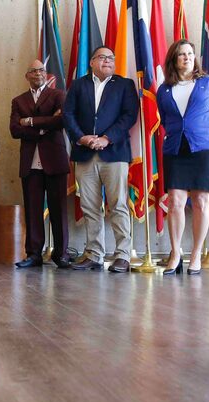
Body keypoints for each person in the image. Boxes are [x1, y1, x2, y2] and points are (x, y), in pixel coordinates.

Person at [63, 46, 139, 273]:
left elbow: (129, 115)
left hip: (114, 153)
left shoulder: (124, 85)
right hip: (85, 154)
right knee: (89, 206)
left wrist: (107, 138)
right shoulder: (78, 85)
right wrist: (81, 138)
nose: (107, 61)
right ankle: (94, 254)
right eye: (102, 57)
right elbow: (68, 115)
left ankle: (122, 255)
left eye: (111, 58)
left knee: (118, 205)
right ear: (92, 62)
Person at [157, 39, 209, 275]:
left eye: (190, 54)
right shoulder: (164, 89)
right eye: (181, 54)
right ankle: (176, 253)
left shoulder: (207, 83)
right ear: (173, 60)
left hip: (205, 149)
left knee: (200, 201)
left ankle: (196, 254)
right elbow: (166, 120)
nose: (187, 57)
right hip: (176, 148)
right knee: (175, 201)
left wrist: (201, 132)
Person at [10, 60, 71, 269]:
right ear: (27, 76)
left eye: (42, 70)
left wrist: (30, 122)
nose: (38, 73)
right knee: (32, 210)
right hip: (30, 163)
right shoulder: (18, 100)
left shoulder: (58, 95)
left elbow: (61, 121)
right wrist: (45, 125)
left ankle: (61, 254)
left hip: (55, 160)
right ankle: (34, 254)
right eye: (33, 71)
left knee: (59, 209)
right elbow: (14, 130)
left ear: (46, 74)